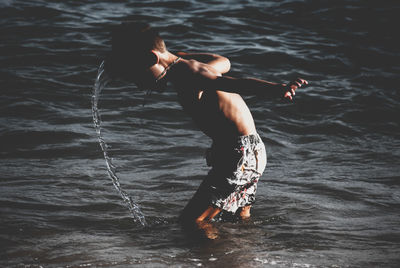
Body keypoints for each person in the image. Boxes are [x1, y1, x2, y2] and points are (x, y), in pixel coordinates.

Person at [105, 22, 307, 237]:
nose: (139, 85)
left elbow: (235, 84)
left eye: (137, 76)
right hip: (249, 150)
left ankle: (215, 258)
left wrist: (276, 89)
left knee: (192, 222)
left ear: (151, 59)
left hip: (238, 155)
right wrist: (180, 55)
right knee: (236, 217)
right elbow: (224, 62)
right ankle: (243, 255)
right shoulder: (191, 67)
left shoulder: (189, 75)